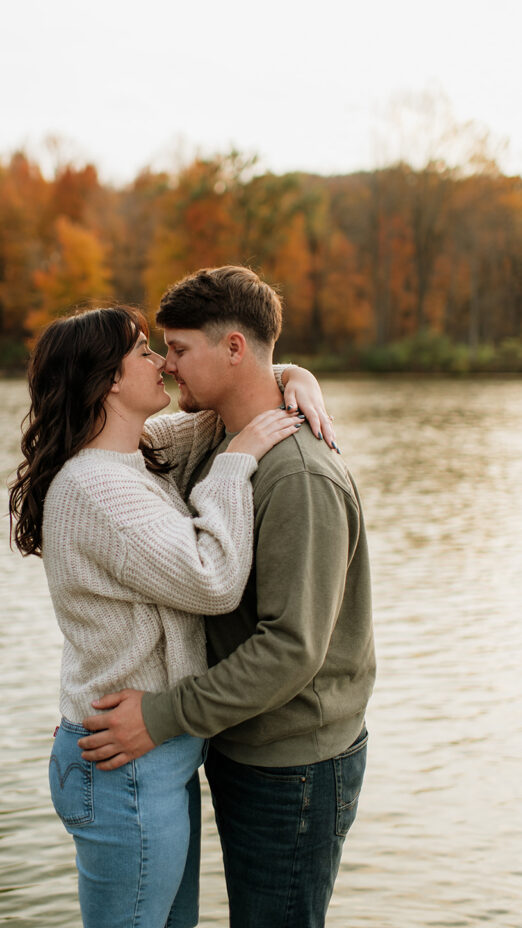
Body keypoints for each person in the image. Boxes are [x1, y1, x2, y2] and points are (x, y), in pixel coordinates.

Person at [8, 303, 334, 928]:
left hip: (151, 751)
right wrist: (237, 465)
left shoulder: (136, 452)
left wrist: (295, 375)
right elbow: (212, 581)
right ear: (108, 380)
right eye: (143, 353)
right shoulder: (96, 488)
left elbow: (233, 404)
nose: (161, 362)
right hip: (123, 762)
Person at [79, 268, 376, 928]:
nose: (168, 366)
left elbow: (291, 649)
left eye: (179, 350)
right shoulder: (212, 435)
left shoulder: (297, 475)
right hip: (239, 741)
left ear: (235, 349)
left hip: (295, 763)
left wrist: (159, 715)